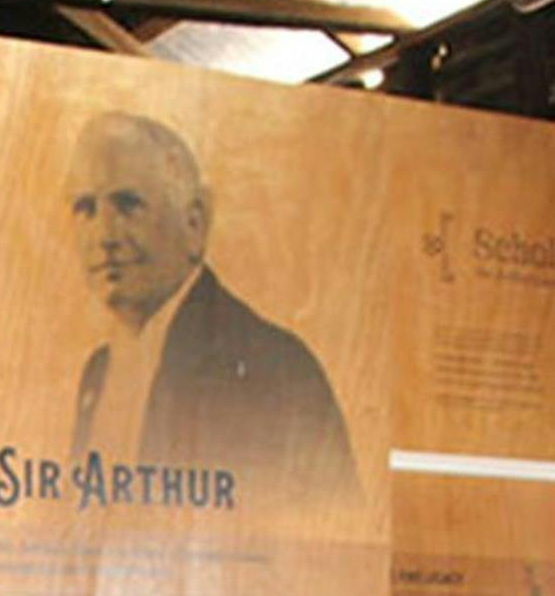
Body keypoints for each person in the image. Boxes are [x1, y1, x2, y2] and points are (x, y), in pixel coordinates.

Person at [65, 112, 356, 499]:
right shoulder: (99, 371)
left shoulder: (273, 366)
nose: (104, 236)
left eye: (128, 205)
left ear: (194, 222)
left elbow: (325, 527)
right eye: (86, 209)